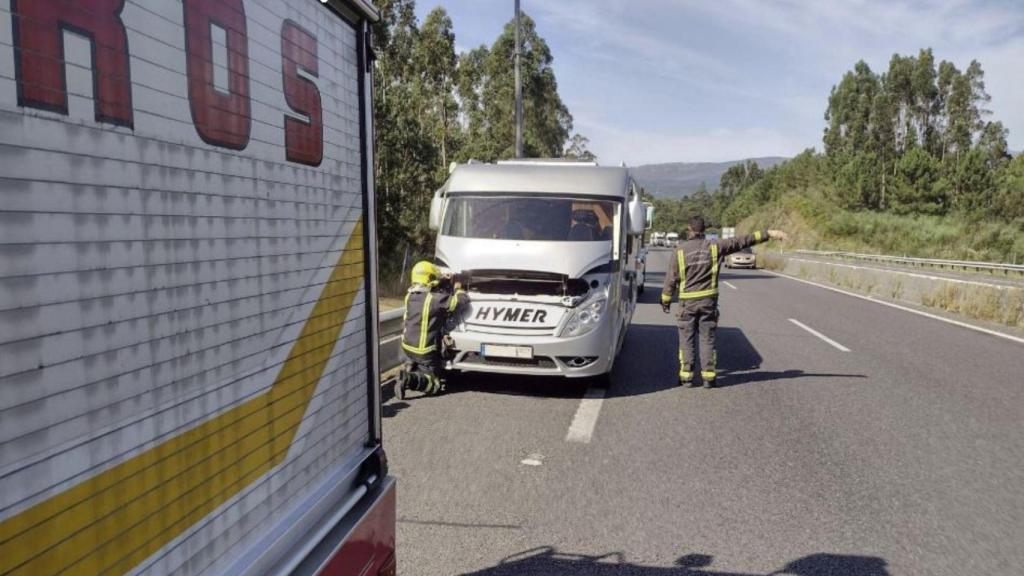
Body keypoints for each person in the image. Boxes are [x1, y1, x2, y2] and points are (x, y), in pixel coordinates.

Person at [661, 217, 788, 388]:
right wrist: (770, 234)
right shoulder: (715, 246)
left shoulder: (680, 250)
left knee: (687, 339)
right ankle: (708, 377)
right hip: (708, 303)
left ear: (689, 229)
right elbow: (741, 241)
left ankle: (686, 376)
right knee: (707, 339)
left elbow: (671, 279)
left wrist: (666, 300)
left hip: (687, 304)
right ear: (704, 230)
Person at [398, 261, 469, 398]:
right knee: (435, 385)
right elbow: (459, 302)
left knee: (419, 361)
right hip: (425, 351)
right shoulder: (435, 299)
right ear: (430, 279)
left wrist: (443, 278)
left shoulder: (409, 296)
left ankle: (412, 367)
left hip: (407, 346)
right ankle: (409, 379)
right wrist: (459, 289)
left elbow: (432, 289)